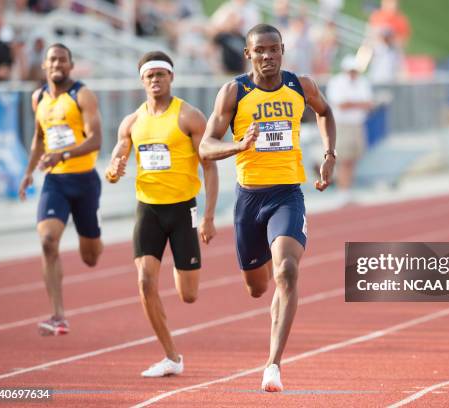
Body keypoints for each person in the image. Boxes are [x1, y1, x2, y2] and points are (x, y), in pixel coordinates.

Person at [199, 23, 336, 392]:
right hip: (249, 200)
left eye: (274, 49)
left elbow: (324, 112)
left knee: (287, 271)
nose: (268, 56)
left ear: (283, 50)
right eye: (260, 50)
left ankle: (273, 364)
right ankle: (274, 302)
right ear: (248, 54)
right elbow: (206, 147)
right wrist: (238, 146)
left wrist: (328, 154)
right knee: (258, 288)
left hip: (287, 194)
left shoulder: (299, 86)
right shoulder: (234, 92)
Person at [105, 51, 218, 377]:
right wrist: (114, 171)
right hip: (148, 210)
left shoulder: (189, 117)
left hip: (184, 210)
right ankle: (171, 356)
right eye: (149, 75)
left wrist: (209, 215)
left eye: (160, 74)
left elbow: (209, 168)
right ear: (142, 80)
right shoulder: (132, 122)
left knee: (189, 295)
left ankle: (180, 261)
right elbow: (117, 161)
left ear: (171, 78)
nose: (155, 80)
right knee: (144, 282)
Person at [18, 43, 104, 336]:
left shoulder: (82, 95)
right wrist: (29, 172)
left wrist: (64, 155)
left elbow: (96, 140)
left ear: (70, 64)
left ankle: (94, 233)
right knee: (47, 241)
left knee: (91, 256)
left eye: (62, 60)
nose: (57, 64)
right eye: (52, 60)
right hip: (55, 182)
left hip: (84, 180)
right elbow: (39, 139)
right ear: (44, 65)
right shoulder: (38, 97)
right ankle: (58, 316)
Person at [326, 55, 373, 203]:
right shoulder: (336, 82)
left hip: (357, 124)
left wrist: (352, 104)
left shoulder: (363, 82)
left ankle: (347, 190)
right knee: (344, 159)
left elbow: (368, 104)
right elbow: (341, 104)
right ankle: (343, 191)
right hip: (342, 125)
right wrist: (359, 104)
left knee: (354, 159)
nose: (353, 73)